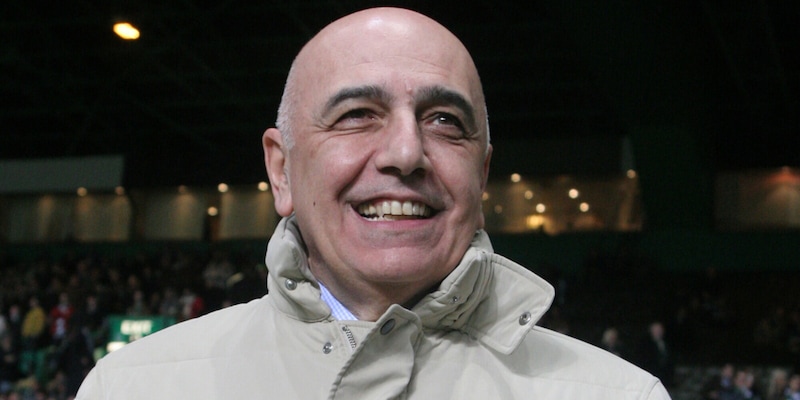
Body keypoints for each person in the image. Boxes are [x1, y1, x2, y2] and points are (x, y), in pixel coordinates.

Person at [76, 7, 671, 399]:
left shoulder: (621, 395)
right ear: (281, 171)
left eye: (445, 121)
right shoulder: (127, 389)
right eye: (357, 115)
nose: (407, 153)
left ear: (481, 176)